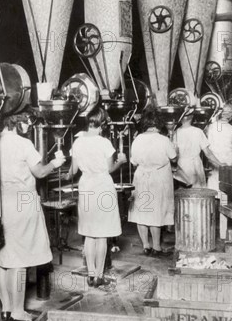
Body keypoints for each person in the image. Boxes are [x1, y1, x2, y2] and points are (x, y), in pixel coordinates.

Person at [0, 112, 65, 321]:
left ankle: (6, 308)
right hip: (21, 202)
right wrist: (56, 163)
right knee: (19, 259)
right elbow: (39, 172)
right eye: (28, 121)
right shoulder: (23, 143)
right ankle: (18, 312)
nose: (30, 125)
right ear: (16, 122)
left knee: (0, 257)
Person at [67, 107, 127, 286]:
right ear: (101, 124)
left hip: (86, 186)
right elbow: (109, 168)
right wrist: (121, 162)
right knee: (102, 234)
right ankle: (99, 276)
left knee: (88, 232)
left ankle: (91, 274)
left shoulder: (77, 143)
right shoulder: (104, 143)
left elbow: (73, 171)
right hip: (102, 186)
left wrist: (64, 174)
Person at [128, 108, 177, 257]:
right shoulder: (163, 139)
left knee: (141, 212)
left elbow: (134, 162)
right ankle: (157, 247)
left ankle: (146, 246)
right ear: (158, 123)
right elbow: (173, 158)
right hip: (159, 178)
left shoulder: (137, 139)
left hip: (141, 176)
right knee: (156, 212)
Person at [172, 111, 222, 188]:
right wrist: (221, 164)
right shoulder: (198, 131)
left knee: (183, 195)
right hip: (195, 165)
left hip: (181, 166)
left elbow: (174, 154)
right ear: (192, 117)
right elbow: (208, 154)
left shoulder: (175, 132)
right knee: (197, 193)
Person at [206, 103, 232, 196]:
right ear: (231, 116)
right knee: (225, 192)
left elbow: (208, 145)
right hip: (228, 161)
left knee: (214, 189)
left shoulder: (211, 126)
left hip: (214, 160)